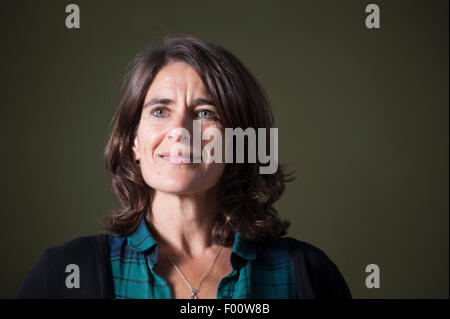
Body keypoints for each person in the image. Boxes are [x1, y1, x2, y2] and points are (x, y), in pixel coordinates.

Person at [18, 34, 351, 299]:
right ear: (134, 141)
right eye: (160, 111)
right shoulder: (63, 274)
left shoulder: (307, 275)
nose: (180, 130)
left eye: (206, 113)